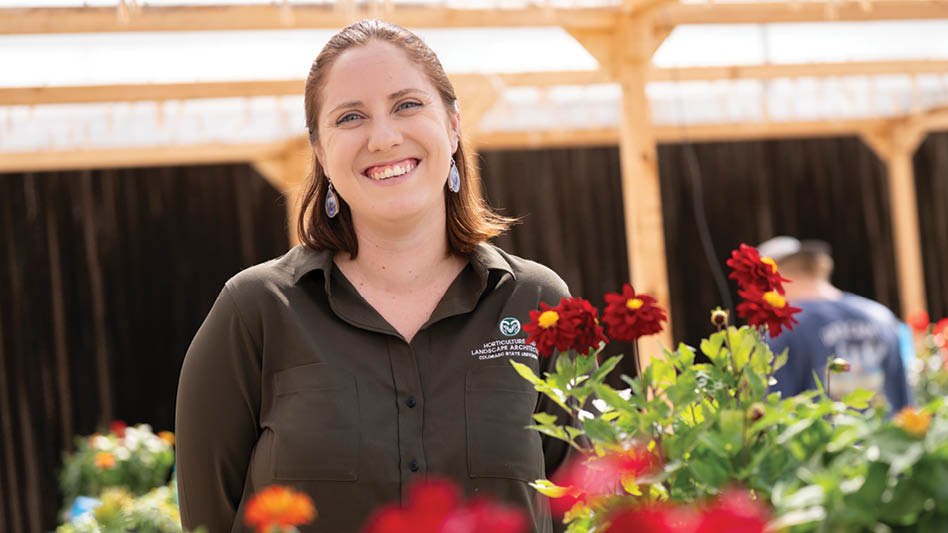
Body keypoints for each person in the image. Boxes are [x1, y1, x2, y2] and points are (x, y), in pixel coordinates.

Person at [175, 19, 574, 533]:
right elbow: (207, 520)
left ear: (453, 125)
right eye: (350, 117)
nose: (383, 137)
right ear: (319, 150)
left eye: (407, 105)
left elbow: (584, 509)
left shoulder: (536, 302)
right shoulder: (254, 312)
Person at [760, 236, 910, 411]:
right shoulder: (882, 316)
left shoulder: (784, 327)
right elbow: (905, 404)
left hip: (821, 437)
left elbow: (773, 412)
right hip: (883, 436)